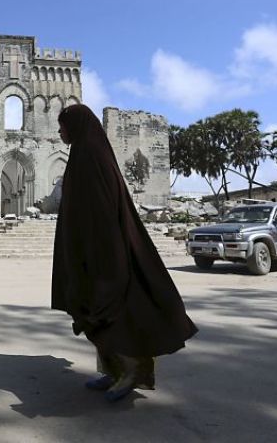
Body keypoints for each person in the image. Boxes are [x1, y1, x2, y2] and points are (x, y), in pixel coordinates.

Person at [51, 104, 198, 402]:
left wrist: (101, 250)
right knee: (88, 305)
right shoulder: (83, 152)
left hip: (102, 248)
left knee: (107, 307)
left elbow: (102, 208)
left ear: (77, 125)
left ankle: (131, 369)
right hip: (88, 248)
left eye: (62, 125)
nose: (59, 131)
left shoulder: (92, 155)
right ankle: (113, 370)